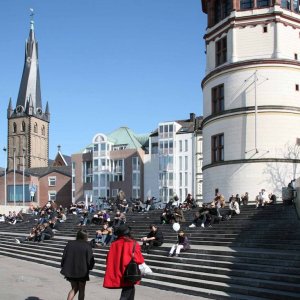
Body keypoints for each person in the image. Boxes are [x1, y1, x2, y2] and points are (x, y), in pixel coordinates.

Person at [103, 224, 144, 300]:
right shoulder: (133, 243)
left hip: (118, 272)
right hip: (129, 272)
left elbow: (108, 259)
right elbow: (139, 260)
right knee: (126, 293)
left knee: (130, 290)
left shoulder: (114, 244)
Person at [61, 229, 95, 300]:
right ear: (85, 236)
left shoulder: (70, 243)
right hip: (82, 272)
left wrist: (63, 266)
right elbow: (90, 260)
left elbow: (64, 256)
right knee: (81, 290)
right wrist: (90, 267)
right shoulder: (87, 246)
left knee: (74, 288)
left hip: (70, 270)